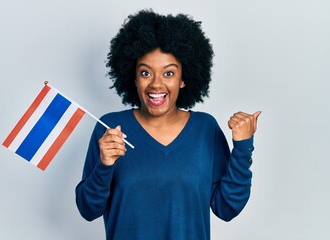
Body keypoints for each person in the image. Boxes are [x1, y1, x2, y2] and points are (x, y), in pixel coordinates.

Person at [75, 9, 261, 240]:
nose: (156, 84)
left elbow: (226, 208)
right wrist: (104, 165)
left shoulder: (205, 128)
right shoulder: (111, 128)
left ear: (184, 79)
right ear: (133, 77)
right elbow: (88, 209)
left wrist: (243, 148)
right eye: (145, 72)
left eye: (169, 73)